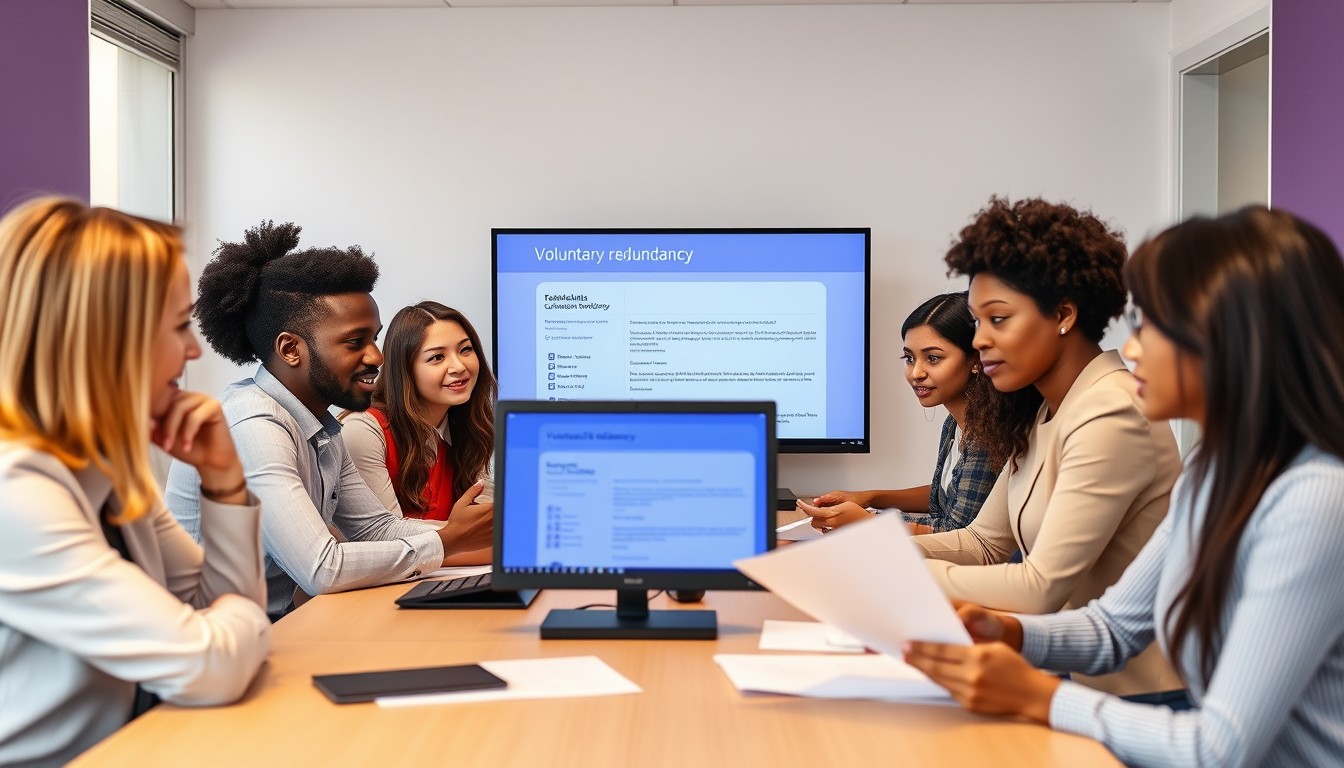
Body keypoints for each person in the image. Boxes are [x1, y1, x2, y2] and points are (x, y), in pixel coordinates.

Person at [905, 206, 1344, 767]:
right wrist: (1010, 634)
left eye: (1155, 325)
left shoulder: (1312, 501)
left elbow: (1217, 749)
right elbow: (1114, 627)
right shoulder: (1214, 471)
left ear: (1235, 339)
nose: (1132, 349)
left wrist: (1040, 696)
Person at [0, 198, 270, 766]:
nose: (194, 350)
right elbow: (211, 665)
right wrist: (235, 628)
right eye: (178, 327)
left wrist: (222, 480)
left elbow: (216, 623)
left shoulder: (104, 469)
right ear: (101, 343)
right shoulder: (16, 493)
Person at [908, 197, 1183, 697]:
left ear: (1063, 315)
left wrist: (897, 573)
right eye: (976, 323)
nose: (980, 341)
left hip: (1139, 696)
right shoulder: (1045, 411)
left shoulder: (1111, 412)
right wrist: (865, 553)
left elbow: (1039, 586)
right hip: (1068, 678)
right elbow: (984, 544)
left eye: (998, 319)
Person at [165, 221, 492, 619]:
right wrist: (449, 540)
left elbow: (376, 530)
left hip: (264, 629)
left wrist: (483, 531)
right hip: (206, 647)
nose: (377, 357)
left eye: (375, 338)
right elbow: (324, 568)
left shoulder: (322, 427)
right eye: (356, 343)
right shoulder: (253, 425)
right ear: (290, 349)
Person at [799, 292, 1039, 533]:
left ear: (976, 359)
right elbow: (942, 497)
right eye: (909, 358)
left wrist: (868, 522)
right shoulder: (954, 423)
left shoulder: (988, 434)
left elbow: (956, 533)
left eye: (933, 358)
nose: (916, 373)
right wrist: (870, 497)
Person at [341, 302, 495, 554]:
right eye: (437, 357)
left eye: (466, 350)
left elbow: (487, 522)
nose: (459, 367)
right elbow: (385, 545)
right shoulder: (363, 431)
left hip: (431, 582)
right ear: (406, 370)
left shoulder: (467, 427)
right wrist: (482, 543)